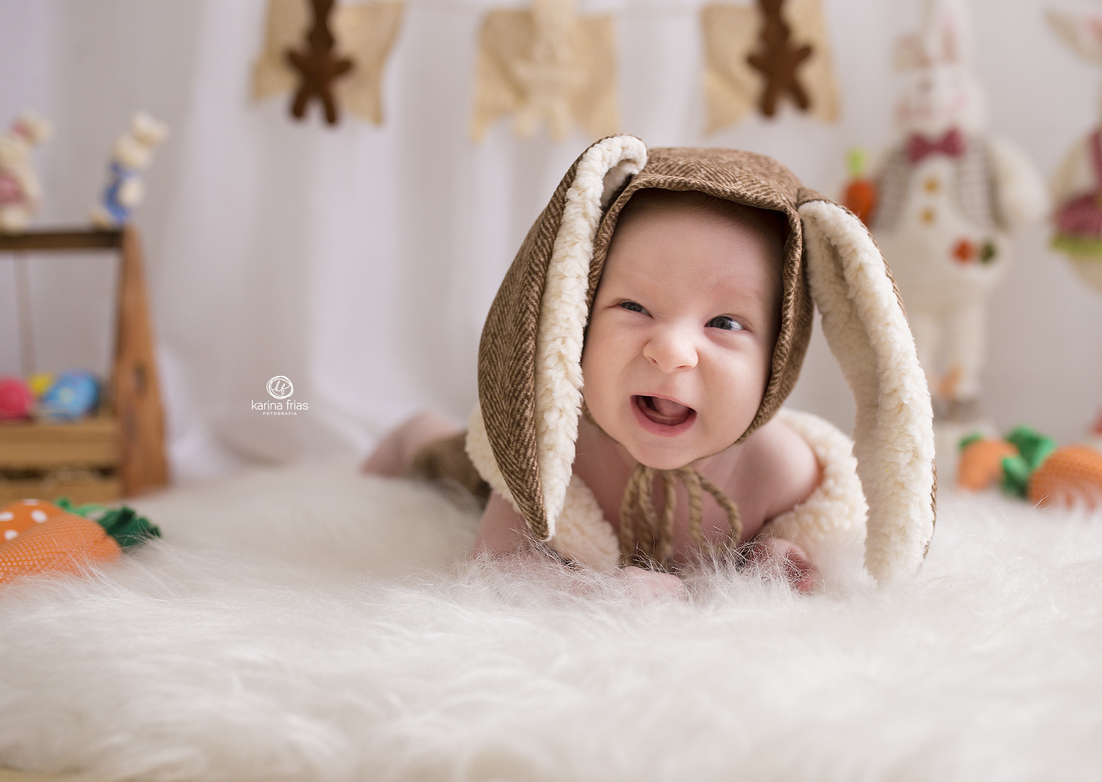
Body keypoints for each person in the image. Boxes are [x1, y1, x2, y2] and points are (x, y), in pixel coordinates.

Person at [365, 137, 938, 593]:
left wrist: (772, 556)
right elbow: (497, 565)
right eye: (633, 307)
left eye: (725, 323)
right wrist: (605, 594)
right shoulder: (553, 454)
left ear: (779, 359)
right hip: (482, 466)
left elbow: (806, 533)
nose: (670, 350)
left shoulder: (779, 472)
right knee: (442, 457)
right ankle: (411, 433)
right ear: (578, 317)